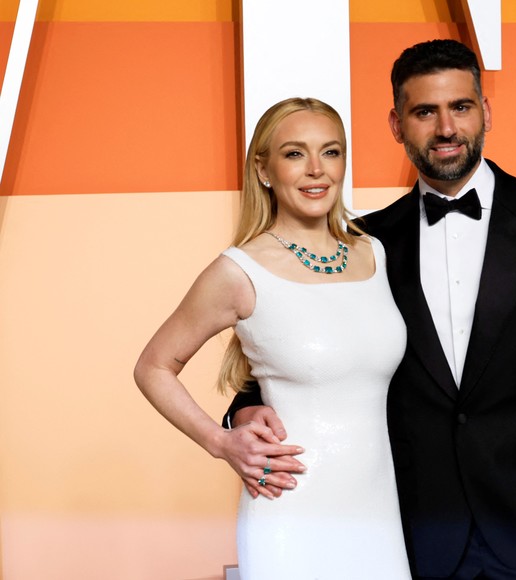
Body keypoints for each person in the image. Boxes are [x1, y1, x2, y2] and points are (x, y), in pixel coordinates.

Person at [228, 40, 516, 579]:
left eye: (460, 107)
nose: (445, 128)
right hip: (422, 530)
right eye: (424, 112)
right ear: (397, 125)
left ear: (485, 112)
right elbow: (307, 339)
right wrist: (247, 408)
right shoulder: (365, 244)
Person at [134, 97, 411, 578]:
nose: (316, 170)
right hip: (290, 509)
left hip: (379, 515)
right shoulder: (239, 272)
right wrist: (220, 442)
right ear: (263, 169)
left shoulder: (375, 254)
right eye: (294, 153)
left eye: (330, 151)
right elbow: (153, 367)